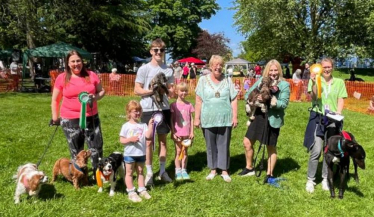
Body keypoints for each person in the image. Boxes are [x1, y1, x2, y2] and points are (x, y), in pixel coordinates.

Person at [51, 50, 105, 176]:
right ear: (68, 64)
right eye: (73, 61)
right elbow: (55, 99)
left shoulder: (91, 75)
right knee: (76, 150)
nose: (76, 64)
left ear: (82, 61)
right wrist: (55, 117)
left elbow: (101, 91)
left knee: (96, 147)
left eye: (78, 61)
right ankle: (79, 175)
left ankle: (99, 173)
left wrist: (94, 97)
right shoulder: (62, 78)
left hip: (91, 117)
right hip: (69, 119)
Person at [240, 59, 290, 183]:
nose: (273, 73)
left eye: (275, 70)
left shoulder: (284, 85)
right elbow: (247, 95)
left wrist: (271, 101)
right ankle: (249, 168)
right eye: (271, 70)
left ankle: (270, 174)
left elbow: (283, 104)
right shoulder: (260, 81)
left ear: (279, 71)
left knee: (270, 147)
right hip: (258, 117)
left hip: (272, 119)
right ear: (267, 71)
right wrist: (255, 96)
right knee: (247, 142)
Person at [134, 38, 174, 185]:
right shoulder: (143, 69)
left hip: (163, 108)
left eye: (162, 50)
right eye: (156, 50)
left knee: (163, 141)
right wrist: (151, 91)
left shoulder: (168, 69)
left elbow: (171, 91)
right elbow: (137, 89)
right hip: (147, 108)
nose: (159, 52)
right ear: (151, 51)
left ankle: (162, 171)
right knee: (148, 141)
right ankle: (149, 172)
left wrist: (165, 90)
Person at [304, 58, 347, 193]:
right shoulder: (315, 79)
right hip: (318, 117)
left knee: (328, 151)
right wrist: (314, 81)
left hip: (333, 118)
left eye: (329, 67)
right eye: (324, 67)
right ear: (320, 68)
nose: (326, 69)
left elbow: (341, 98)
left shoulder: (339, 82)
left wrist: (339, 112)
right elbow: (315, 97)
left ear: (332, 68)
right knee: (316, 149)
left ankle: (325, 178)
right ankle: (310, 179)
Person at [194, 55, 238, 183]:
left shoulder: (228, 80)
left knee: (224, 144)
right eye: (215, 65)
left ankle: (224, 170)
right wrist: (196, 118)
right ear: (210, 66)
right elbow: (198, 100)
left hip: (225, 118)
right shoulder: (202, 80)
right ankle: (213, 169)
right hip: (208, 118)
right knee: (210, 145)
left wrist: (235, 116)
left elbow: (234, 99)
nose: (218, 67)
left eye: (220, 65)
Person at [120, 100, 153, 202]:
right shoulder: (126, 126)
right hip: (129, 154)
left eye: (139, 111)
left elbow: (148, 136)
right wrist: (130, 139)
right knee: (129, 172)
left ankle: (142, 189)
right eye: (135, 111)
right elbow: (121, 140)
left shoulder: (143, 125)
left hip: (141, 153)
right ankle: (131, 192)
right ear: (129, 112)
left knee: (140, 171)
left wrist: (151, 125)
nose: (138, 113)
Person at [170, 82, 194, 180]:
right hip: (178, 133)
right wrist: (173, 132)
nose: (184, 93)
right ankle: (178, 170)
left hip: (187, 133)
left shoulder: (189, 105)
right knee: (178, 151)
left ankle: (184, 169)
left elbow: (191, 119)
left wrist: (192, 132)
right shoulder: (173, 105)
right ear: (176, 91)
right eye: (181, 91)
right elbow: (171, 120)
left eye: (185, 91)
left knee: (185, 151)